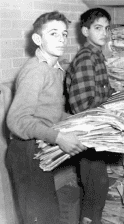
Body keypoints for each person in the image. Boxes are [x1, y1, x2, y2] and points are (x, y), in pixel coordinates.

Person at [5, 11, 86, 224]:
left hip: (40, 148)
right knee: (39, 218)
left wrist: (81, 123)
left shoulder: (56, 70)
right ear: (38, 40)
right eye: (53, 33)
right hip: (25, 152)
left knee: (48, 215)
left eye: (64, 33)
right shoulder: (36, 71)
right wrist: (58, 137)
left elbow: (52, 112)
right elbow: (17, 121)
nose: (61, 39)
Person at [65, 7, 115, 224]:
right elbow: (82, 105)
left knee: (98, 187)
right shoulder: (86, 58)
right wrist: (112, 108)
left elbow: (102, 93)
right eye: (97, 28)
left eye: (106, 28)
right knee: (95, 189)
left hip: (97, 134)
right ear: (85, 31)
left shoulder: (97, 56)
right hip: (88, 136)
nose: (104, 33)